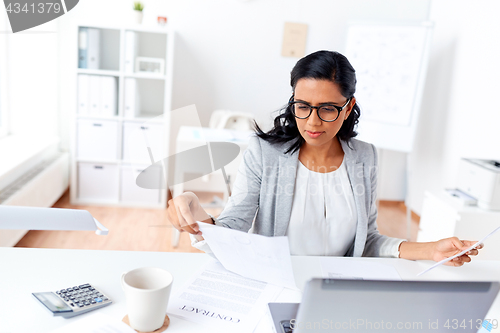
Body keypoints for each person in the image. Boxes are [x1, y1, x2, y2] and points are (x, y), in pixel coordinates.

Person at [167, 50, 481, 265]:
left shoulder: (365, 158)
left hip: (338, 286)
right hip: (276, 282)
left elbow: (367, 241)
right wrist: (200, 215)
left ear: (348, 107)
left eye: (328, 109)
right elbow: (233, 228)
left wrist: (430, 250)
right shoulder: (265, 154)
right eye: (302, 106)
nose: (313, 122)